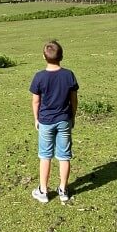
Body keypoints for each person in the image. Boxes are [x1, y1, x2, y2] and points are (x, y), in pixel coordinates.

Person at [29, 40, 79, 203]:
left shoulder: (39, 77)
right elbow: (74, 99)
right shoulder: (68, 75)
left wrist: (36, 119)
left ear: (44, 57)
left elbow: (36, 101)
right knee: (64, 156)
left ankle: (43, 191)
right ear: (62, 56)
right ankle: (63, 190)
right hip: (64, 120)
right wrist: (72, 116)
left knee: (45, 156)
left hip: (46, 121)